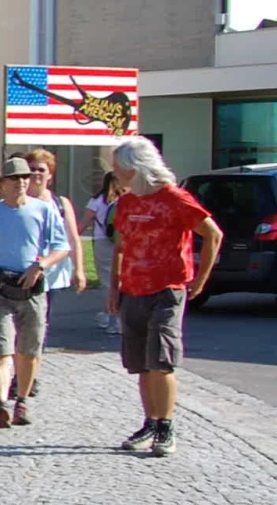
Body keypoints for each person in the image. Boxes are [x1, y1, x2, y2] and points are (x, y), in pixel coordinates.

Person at [105, 136, 222, 456]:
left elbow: (213, 234)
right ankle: (150, 421)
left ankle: (166, 425)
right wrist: (114, 288)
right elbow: (120, 247)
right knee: (141, 363)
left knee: (161, 361)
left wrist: (201, 278)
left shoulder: (175, 198)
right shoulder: (127, 203)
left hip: (167, 290)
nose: (115, 176)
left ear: (137, 168)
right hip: (132, 290)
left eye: (119, 170)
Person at [0, 156, 70, 427]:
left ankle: (22, 400)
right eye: (14, 178)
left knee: (29, 350)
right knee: (2, 349)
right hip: (0, 288)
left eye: (25, 178)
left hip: (33, 289)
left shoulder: (44, 210)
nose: (21, 183)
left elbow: (62, 247)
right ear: (3, 184)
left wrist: (40, 265)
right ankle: (2, 402)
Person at [26, 149, 90, 342]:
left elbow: (73, 238)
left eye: (41, 169)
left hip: (51, 270)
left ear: (50, 175)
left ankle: (32, 359)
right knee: (20, 315)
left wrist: (79, 270)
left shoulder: (60, 203)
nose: (36, 173)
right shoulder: (18, 201)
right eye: (32, 169)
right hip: (23, 267)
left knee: (41, 318)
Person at [84, 170, 120, 333]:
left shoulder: (97, 200)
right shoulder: (125, 199)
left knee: (106, 280)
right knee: (119, 279)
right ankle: (112, 314)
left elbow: (84, 222)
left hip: (102, 241)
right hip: (121, 241)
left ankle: (111, 317)